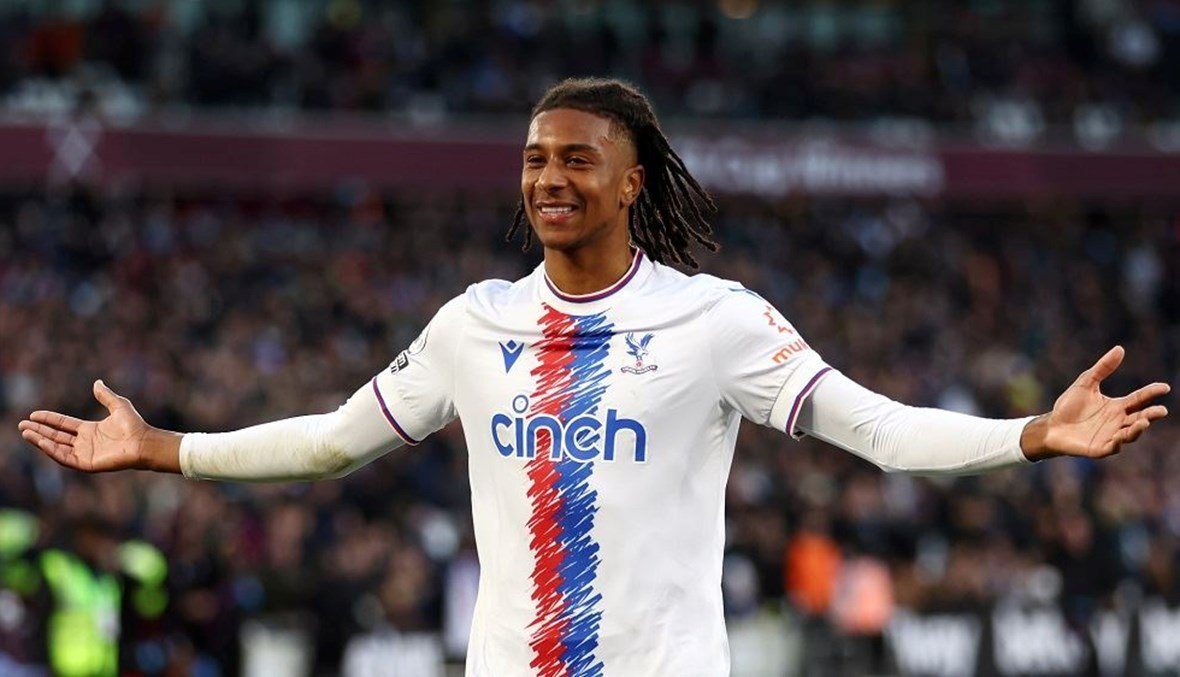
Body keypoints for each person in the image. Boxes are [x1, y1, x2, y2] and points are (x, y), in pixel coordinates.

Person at [17, 78, 1171, 676]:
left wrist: (1030, 432)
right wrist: (163, 447)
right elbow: (327, 440)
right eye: (534, 158)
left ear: (630, 182)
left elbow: (877, 430)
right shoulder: (472, 324)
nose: (548, 177)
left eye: (577, 157)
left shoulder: (716, 320)